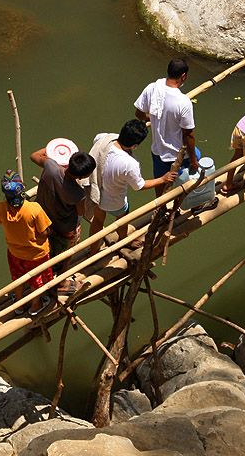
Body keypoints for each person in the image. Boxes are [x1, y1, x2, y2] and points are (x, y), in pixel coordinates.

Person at [89, 119, 177, 254]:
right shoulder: (129, 164)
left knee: (98, 220)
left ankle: (93, 251)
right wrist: (162, 179)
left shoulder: (104, 138)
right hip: (114, 200)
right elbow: (139, 186)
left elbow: (96, 141)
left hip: (95, 191)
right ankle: (124, 239)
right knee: (123, 218)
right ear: (134, 146)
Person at [0, 170, 54, 315]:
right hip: (36, 254)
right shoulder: (33, 209)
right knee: (36, 280)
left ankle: (19, 304)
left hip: (15, 252)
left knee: (18, 278)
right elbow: (44, 233)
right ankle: (35, 306)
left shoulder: (0, 208)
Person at [30, 145, 96, 293]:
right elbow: (80, 212)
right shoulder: (78, 193)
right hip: (64, 226)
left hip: (43, 218)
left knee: (47, 245)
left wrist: (54, 148)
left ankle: (45, 270)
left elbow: (34, 155)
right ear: (82, 176)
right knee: (68, 252)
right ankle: (61, 282)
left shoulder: (50, 167)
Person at [134, 58, 200, 195]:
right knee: (196, 162)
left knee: (160, 180)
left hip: (158, 151)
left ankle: (160, 205)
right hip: (177, 154)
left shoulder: (152, 88)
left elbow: (139, 113)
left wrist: (153, 117)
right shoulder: (183, 102)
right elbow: (188, 135)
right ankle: (193, 203)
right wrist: (193, 161)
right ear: (183, 76)